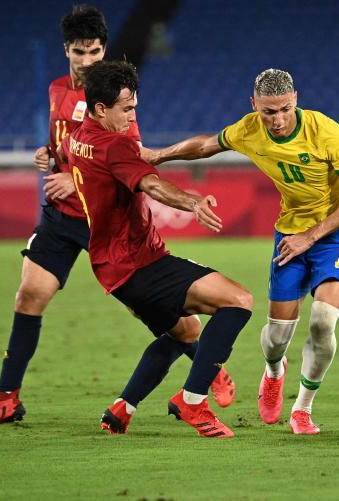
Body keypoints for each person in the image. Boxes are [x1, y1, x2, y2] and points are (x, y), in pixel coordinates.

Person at [0, 5, 234, 427]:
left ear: (103, 49)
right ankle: (7, 397)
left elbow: (124, 159)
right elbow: (64, 146)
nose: (87, 61)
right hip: (59, 217)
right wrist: (49, 156)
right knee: (29, 295)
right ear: (66, 51)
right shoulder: (56, 90)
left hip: (101, 221)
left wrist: (78, 179)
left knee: (170, 321)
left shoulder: (111, 100)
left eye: (94, 51)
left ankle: (208, 366)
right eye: (79, 52)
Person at [146, 68, 339, 435]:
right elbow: (205, 146)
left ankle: (302, 408)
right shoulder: (249, 129)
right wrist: (158, 156)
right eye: (269, 112)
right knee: (277, 337)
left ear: (296, 99)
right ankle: (274, 370)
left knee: (322, 321)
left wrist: (312, 236)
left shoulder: (328, 133)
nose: (278, 119)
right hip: (291, 233)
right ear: (255, 106)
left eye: (285, 109)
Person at [67, 60, 252, 437]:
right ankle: (194, 401)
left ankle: (122, 409)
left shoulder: (79, 135)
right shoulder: (115, 144)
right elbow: (151, 185)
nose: (133, 115)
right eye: (127, 108)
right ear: (101, 108)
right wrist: (192, 202)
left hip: (110, 268)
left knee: (184, 332)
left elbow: (128, 157)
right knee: (238, 301)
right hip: (140, 263)